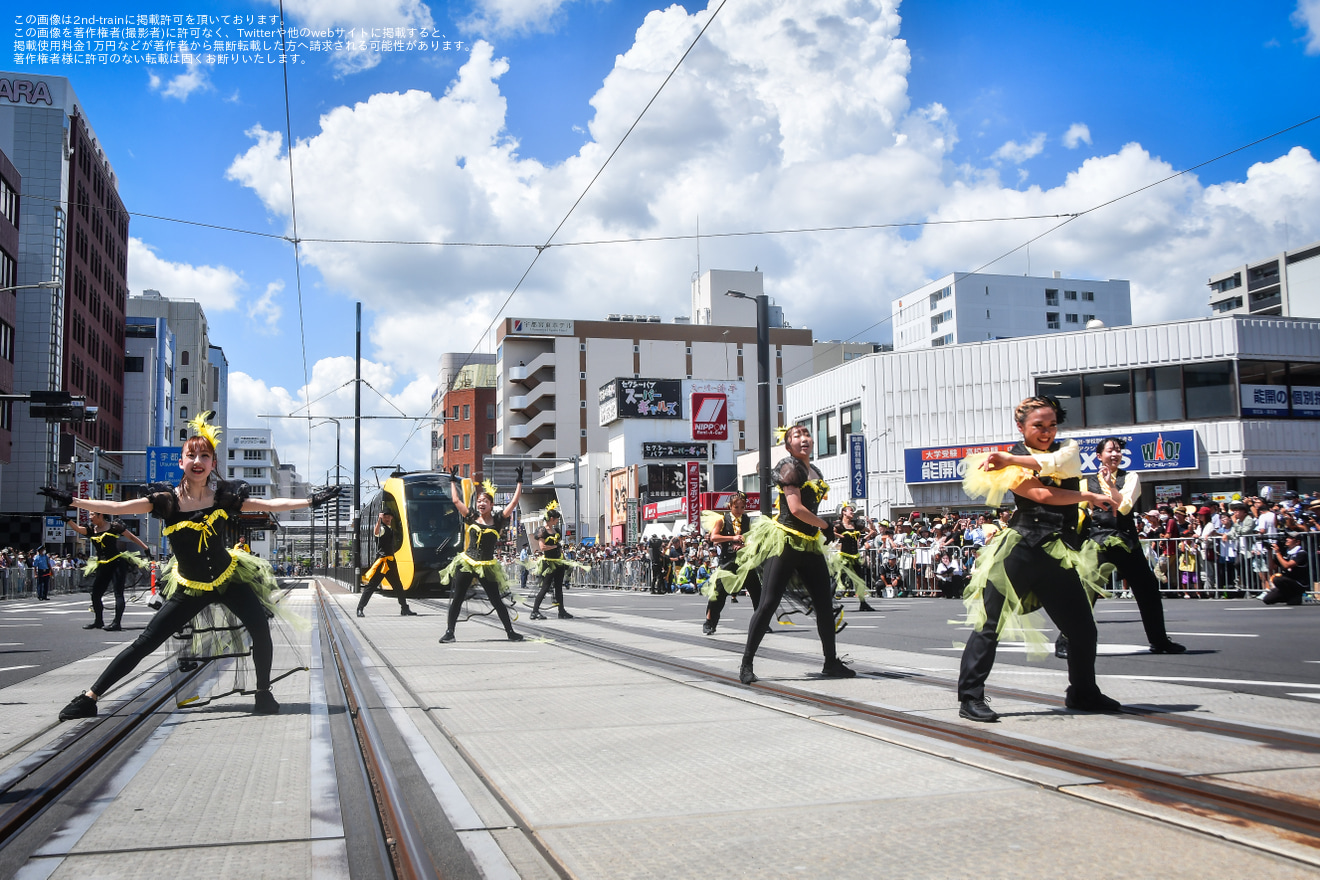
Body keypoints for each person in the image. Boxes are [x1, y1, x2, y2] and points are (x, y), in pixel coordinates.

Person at [45, 412, 341, 720]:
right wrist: (73, 502)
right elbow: (118, 507)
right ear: (181, 462)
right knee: (146, 642)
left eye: (205, 456)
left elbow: (268, 504)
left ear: (213, 463)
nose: (198, 461)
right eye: (192, 455)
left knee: (261, 631)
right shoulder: (166, 501)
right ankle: (90, 697)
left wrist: (311, 501)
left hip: (229, 579)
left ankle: (264, 693)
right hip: (190, 587)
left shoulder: (225, 497)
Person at [955, 396, 1122, 723]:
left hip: (1058, 553)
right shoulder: (1012, 459)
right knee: (989, 625)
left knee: (1082, 628)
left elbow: (1063, 464)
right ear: (1021, 427)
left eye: (1051, 425)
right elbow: (1043, 495)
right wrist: (1087, 495)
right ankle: (970, 697)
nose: (1046, 432)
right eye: (1038, 426)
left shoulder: (1067, 450)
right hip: (1021, 549)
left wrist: (1013, 460)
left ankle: (1083, 692)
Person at [734, 425, 857, 684]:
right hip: (785, 542)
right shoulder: (789, 467)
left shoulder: (816, 471)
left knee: (825, 604)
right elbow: (797, 509)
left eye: (806, 435)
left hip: (810, 545)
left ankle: (830, 662)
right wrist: (825, 525)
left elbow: (809, 510)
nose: (804, 440)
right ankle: (746, 663)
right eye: (797, 437)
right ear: (788, 445)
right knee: (768, 603)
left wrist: (824, 527)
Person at [1057, 437, 1185, 657]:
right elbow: (1079, 513)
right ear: (1099, 456)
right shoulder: (1086, 483)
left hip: (1126, 541)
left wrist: (1111, 485)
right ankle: (1065, 641)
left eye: (1117, 450)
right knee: (1085, 593)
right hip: (1098, 542)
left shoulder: (1131, 477)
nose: (1115, 454)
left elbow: (1124, 508)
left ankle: (1160, 641)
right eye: (1110, 451)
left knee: (1148, 591)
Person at [438, 467, 524, 643]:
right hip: (467, 562)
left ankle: (510, 632)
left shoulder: (499, 520)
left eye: (485, 501)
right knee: (458, 598)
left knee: (496, 601)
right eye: (479, 501)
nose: (481, 503)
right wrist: (452, 481)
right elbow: (455, 500)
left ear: (491, 505)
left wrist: (519, 482)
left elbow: (514, 503)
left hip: (487, 565)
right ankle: (449, 632)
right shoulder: (471, 516)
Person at [67, 511, 151, 631]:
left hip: (116, 562)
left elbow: (131, 536)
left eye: (92, 515)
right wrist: (68, 520)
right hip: (102, 564)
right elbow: (79, 529)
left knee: (118, 593)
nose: (90, 517)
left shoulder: (114, 527)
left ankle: (116, 623)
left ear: (100, 515)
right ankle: (98, 621)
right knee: (96, 593)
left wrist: (146, 548)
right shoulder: (91, 529)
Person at [701, 492, 763, 635]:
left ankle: (761, 622)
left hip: (745, 563)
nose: (739, 510)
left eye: (742, 507)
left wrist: (744, 545)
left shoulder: (747, 520)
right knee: (718, 594)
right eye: (736, 507)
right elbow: (714, 537)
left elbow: (754, 540)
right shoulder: (722, 520)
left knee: (756, 592)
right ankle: (710, 622)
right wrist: (732, 538)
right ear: (730, 506)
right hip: (727, 562)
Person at [529, 502, 586, 619]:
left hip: (558, 561)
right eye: (556, 519)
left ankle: (561, 611)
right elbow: (542, 547)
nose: (557, 522)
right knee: (545, 587)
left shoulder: (556, 531)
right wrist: (554, 547)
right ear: (551, 519)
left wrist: (565, 560)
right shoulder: (542, 530)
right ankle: (534, 611)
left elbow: (560, 547)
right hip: (548, 562)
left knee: (559, 587)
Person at [356, 509, 417, 617]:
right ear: (382, 518)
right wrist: (379, 519)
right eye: (385, 517)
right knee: (371, 586)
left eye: (389, 516)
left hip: (390, 562)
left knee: (398, 586)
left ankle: (404, 608)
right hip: (382, 562)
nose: (388, 518)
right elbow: (376, 532)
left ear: (392, 518)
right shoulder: (382, 528)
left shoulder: (390, 529)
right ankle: (360, 608)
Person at [834, 505, 876, 612]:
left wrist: (864, 537)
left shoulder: (856, 525)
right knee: (840, 577)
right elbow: (827, 531)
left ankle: (863, 603)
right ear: (844, 512)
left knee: (859, 580)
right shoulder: (840, 526)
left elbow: (872, 531)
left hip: (855, 556)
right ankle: (829, 600)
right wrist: (840, 536)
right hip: (844, 556)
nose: (852, 512)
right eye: (850, 511)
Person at [1261, 532, 1309, 605]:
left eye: (1290, 538)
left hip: (1298, 583)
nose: (1287, 539)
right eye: (1287, 537)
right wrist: (1269, 552)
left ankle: (1296, 596)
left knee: (1277, 579)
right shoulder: (1285, 552)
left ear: (1297, 542)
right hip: (1287, 583)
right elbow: (1272, 567)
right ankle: (1290, 597)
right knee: (1267, 599)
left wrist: (1277, 552)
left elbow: (1287, 565)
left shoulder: (1301, 553)